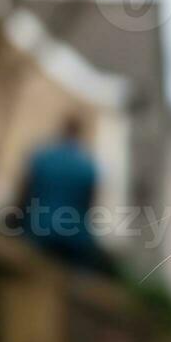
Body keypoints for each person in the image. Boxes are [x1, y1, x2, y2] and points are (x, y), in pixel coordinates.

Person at [17, 115, 113, 275]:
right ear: (79, 134)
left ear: (62, 129)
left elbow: (24, 195)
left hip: (39, 230)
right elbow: (90, 208)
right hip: (73, 240)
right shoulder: (87, 168)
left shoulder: (43, 157)